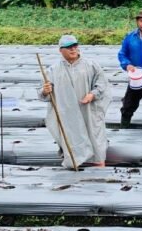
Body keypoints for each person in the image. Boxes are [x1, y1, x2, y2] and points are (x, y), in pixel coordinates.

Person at [39, 34, 111, 169]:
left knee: (95, 139)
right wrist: (45, 90)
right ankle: (75, 169)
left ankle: (98, 170)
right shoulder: (53, 70)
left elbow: (102, 84)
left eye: (74, 46)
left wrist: (92, 95)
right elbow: (45, 96)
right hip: (67, 114)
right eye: (68, 47)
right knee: (72, 139)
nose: (73, 50)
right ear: (61, 50)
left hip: (89, 111)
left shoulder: (91, 65)